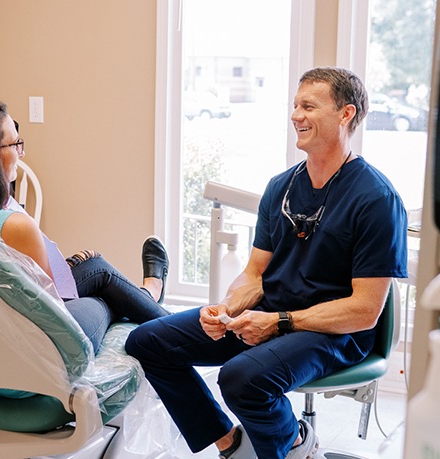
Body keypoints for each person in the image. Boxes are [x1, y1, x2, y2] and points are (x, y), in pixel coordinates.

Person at [125, 67, 408, 459]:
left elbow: (364, 311)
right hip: (272, 314)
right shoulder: (281, 187)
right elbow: (255, 273)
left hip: (334, 332)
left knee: (241, 379)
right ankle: (230, 443)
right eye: (295, 105)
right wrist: (227, 307)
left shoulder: (376, 199)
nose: (296, 115)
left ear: (346, 114)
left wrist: (278, 323)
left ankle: (293, 443)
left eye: (309, 105)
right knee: (147, 341)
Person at [0, 100, 170, 353]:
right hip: (33, 351)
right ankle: (165, 314)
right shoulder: (14, 227)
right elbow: (50, 315)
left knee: (95, 267)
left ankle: (149, 294)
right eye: (14, 144)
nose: (21, 153)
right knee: (106, 299)